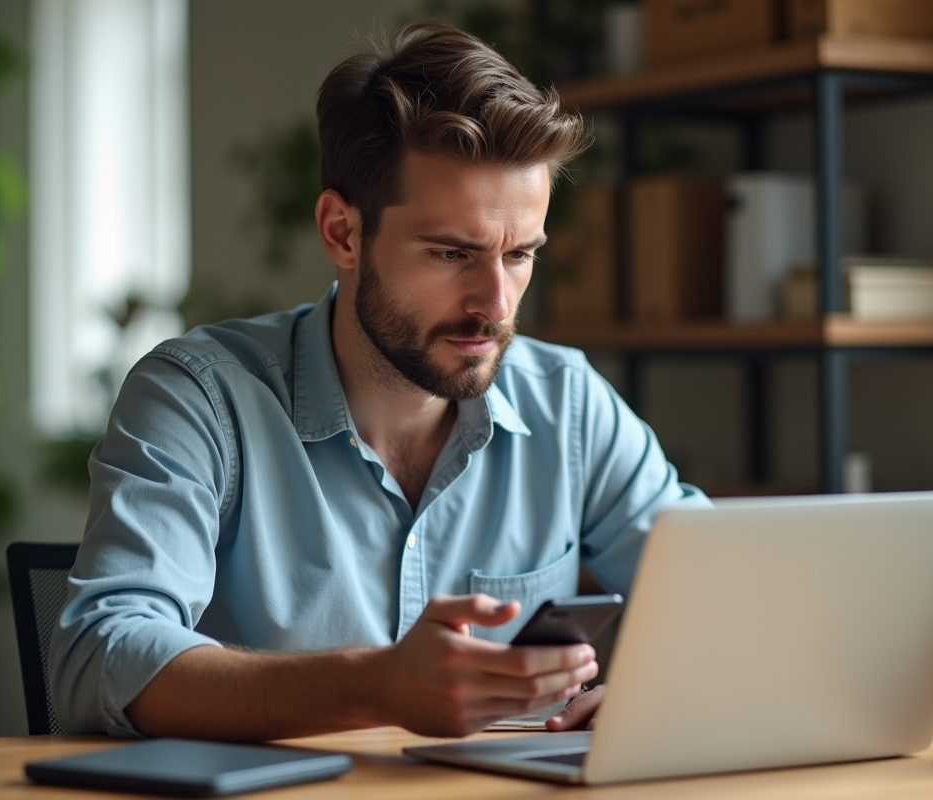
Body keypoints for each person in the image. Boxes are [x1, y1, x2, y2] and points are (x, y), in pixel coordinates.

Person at [49, 20, 708, 741]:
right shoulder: (200, 398)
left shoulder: (569, 405)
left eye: (520, 254)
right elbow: (97, 659)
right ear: (342, 233)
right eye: (452, 253)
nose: (496, 304)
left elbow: (734, 592)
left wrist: (658, 696)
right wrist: (375, 688)